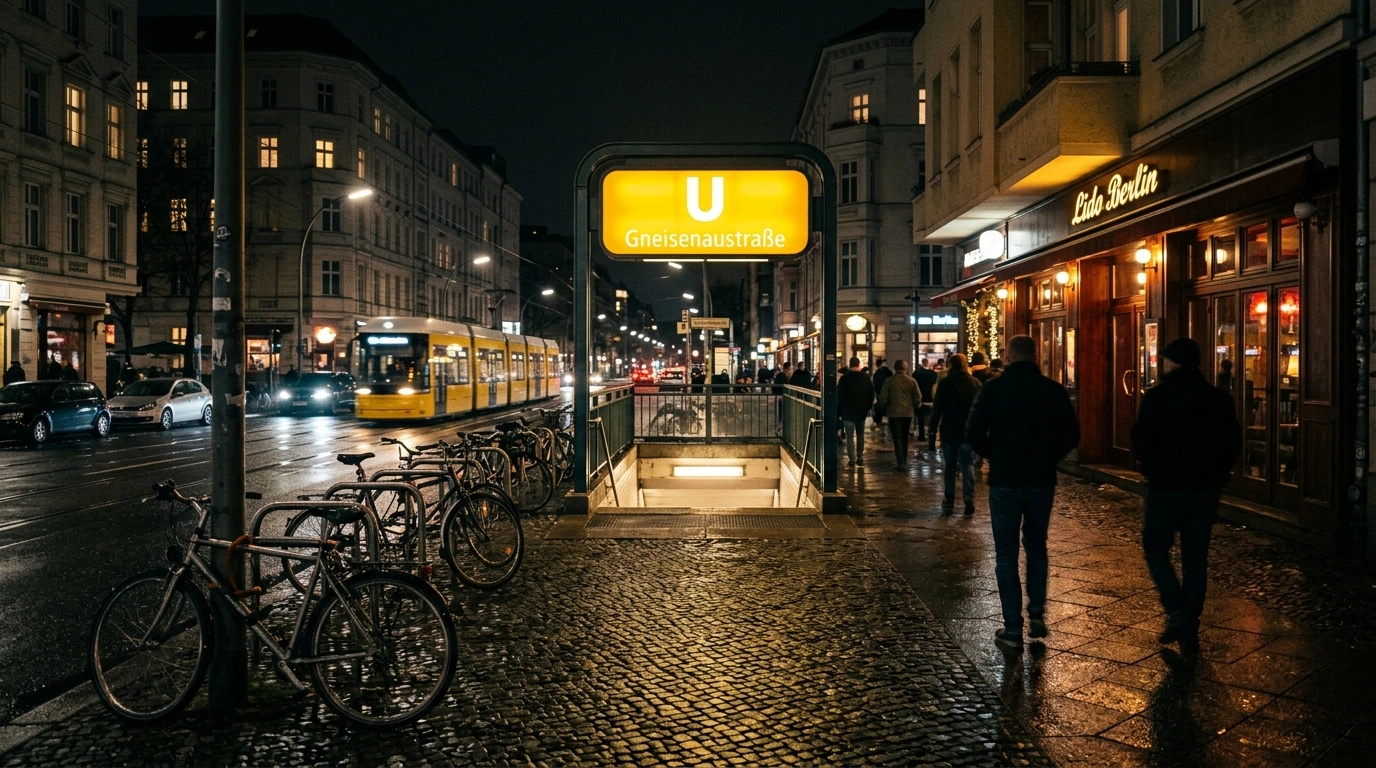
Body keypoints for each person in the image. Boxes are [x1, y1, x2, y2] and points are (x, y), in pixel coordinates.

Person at [966, 335, 1080, 652]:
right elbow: (1072, 434)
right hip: (1040, 479)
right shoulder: (1053, 391)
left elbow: (972, 433)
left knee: (1005, 553)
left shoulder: (992, 389)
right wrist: (1048, 456)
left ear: (1008, 356)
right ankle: (1037, 611)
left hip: (1005, 480)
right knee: (1037, 546)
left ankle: (1013, 629)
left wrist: (996, 454)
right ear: (1036, 356)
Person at [1131, 338, 1242, 650]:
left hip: (1166, 487)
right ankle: (1189, 625)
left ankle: (1177, 610)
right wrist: (1220, 474)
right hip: (1204, 489)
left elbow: (1141, 438)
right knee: (1195, 558)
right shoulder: (1217, 398)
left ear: (1171, 363)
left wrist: (1149, 468)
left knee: (1155, 548)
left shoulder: (1157, 397)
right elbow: (1232, 440)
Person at [929, 354, 980, 514]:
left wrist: (932, 429)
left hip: (949, 431)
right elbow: (979, 409)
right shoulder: (975, 383)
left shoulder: (945, 383)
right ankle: (969, 500)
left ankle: (949, 498)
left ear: (951, 365)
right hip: (967, 431)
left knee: (950, 466)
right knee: (968, 465)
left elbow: (937, 409)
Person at [877, 360, 922, 470]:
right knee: (904, 436)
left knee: (896, 437)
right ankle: (904, 460)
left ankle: (900, 461)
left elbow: (883, 397)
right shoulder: (911, 381)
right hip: (907, 413)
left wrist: (883, 407)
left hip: (893, 413)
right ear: (905, 368)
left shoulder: (889, 381)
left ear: (895, 368)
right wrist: (917, 406)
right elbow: (917, 397)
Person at [836, 356, 875, 467]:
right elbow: (871, 394)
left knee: (849, 436)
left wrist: (840, 410)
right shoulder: (865, 377)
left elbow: (840, 396)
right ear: (859, 365)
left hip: (848, 412)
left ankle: (852, 459)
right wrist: (867, 408)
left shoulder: (844, 378)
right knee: (860, 435)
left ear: (850, 365)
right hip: (861, 412)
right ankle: (860, 457)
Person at [912, 360, 938, 444]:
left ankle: (921, 435)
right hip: (930, 398)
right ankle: (931, 435)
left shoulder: (916, 374)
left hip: (920, 398)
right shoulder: (933, 374)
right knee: (932, 417)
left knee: (920, 417)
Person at [871, 358, 892, 430]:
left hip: (879, 392)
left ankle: (878, 421)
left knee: (879, 407)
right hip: (888, 392)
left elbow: (875, 384)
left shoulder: (876, 373)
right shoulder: (888, 372)